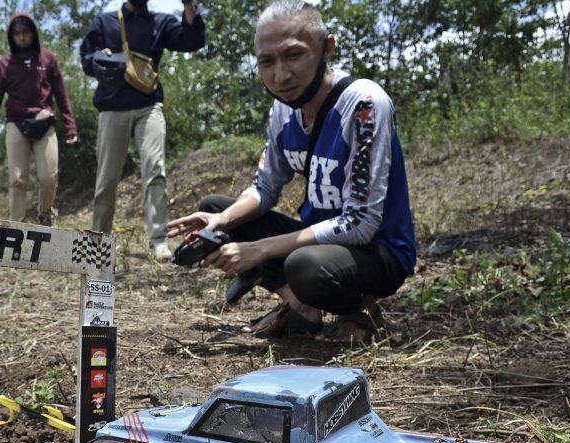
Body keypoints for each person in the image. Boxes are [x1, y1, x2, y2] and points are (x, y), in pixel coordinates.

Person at [166, 0, 416, 342]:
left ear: (327, 48)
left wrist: (261, 250)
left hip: (379, 250)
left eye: (294, 55)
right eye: (267, 62)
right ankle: (301, 306)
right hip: (321, 238)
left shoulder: (364, 105)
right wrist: (221, 223)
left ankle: (360, 312)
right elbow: (265, 188)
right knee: (216, 209)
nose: (280, 75)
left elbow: (360, 223)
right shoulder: (283, 111)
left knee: (304, 266)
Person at [80, 0, 205, 261]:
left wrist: (189, 4)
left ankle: (159, 241)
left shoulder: (160, 22)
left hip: (149, 106)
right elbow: (86, 58)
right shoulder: (105, 22)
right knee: (106, 179)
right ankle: (98, 245)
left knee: (155, 169)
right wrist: (100, 58)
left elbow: (192, 41)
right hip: (112, 108)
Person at [0, 13, 78, 226]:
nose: (22, 37)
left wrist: (70, 126)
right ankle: (16, 226)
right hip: (16, 124)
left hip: (45, 123)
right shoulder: (5, 64)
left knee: (48, 177)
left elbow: (61, 94)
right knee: (17, 180)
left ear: (33, 33)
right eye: (17, 33)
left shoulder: (48, 59)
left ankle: (46, 214)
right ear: (12, 36)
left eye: (25, 32)